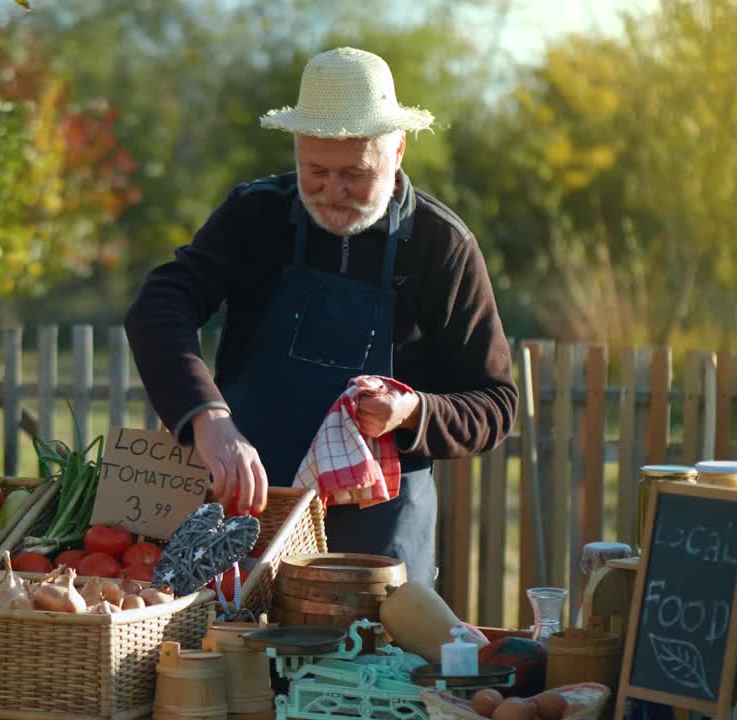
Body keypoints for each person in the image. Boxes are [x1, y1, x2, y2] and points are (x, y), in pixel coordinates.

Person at [124, 47, 517, 584]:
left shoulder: (442, 246)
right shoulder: (255, 214)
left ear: (397, 151)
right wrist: (207, 419)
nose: (334, 192)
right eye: (315, 171)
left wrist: (414, 412)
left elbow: (495, 402)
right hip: (248, 521)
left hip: (376, 552)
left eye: (356, 173)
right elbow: (160, 304)